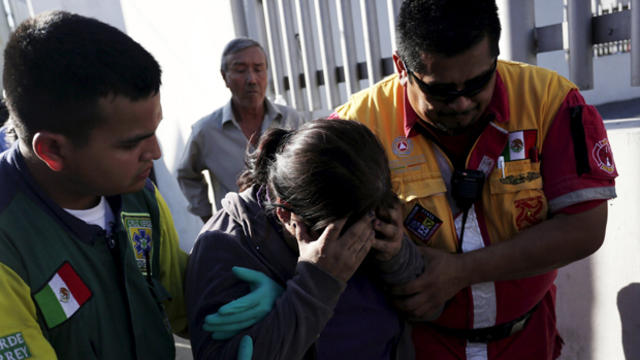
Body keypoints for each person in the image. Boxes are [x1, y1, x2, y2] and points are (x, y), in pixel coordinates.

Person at [331, 0, 617, 359]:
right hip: (417, 346)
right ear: (401, 67)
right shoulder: (356, 127)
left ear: (496, 55)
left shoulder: (550, 100)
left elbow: (585, 228)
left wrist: (460, 272)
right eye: (442, 91)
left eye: (479, 82)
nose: (463, 103)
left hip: (528, 340)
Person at [0, 12, 189, 359]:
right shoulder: (7, 243)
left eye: (155, 130)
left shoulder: (139, 195)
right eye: (131, 144)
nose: (155, 152)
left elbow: (185, 303)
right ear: (53, 150)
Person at [185, 119, 425, 359]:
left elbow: (428, 306)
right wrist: (315, 283)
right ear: (286, 214)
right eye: (338, 236)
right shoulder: (226, 246)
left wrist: (397, 255)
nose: (357, 244)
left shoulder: (363, 201)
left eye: (368, 225)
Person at [177, 38, 306, 223]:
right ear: (225, 77)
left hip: (289, 230)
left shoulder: (291, 120)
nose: (251, 79)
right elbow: (186, 174)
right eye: (240, 70)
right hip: (237, 233)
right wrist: (209, 217)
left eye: (258, 69)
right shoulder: (206, 131)